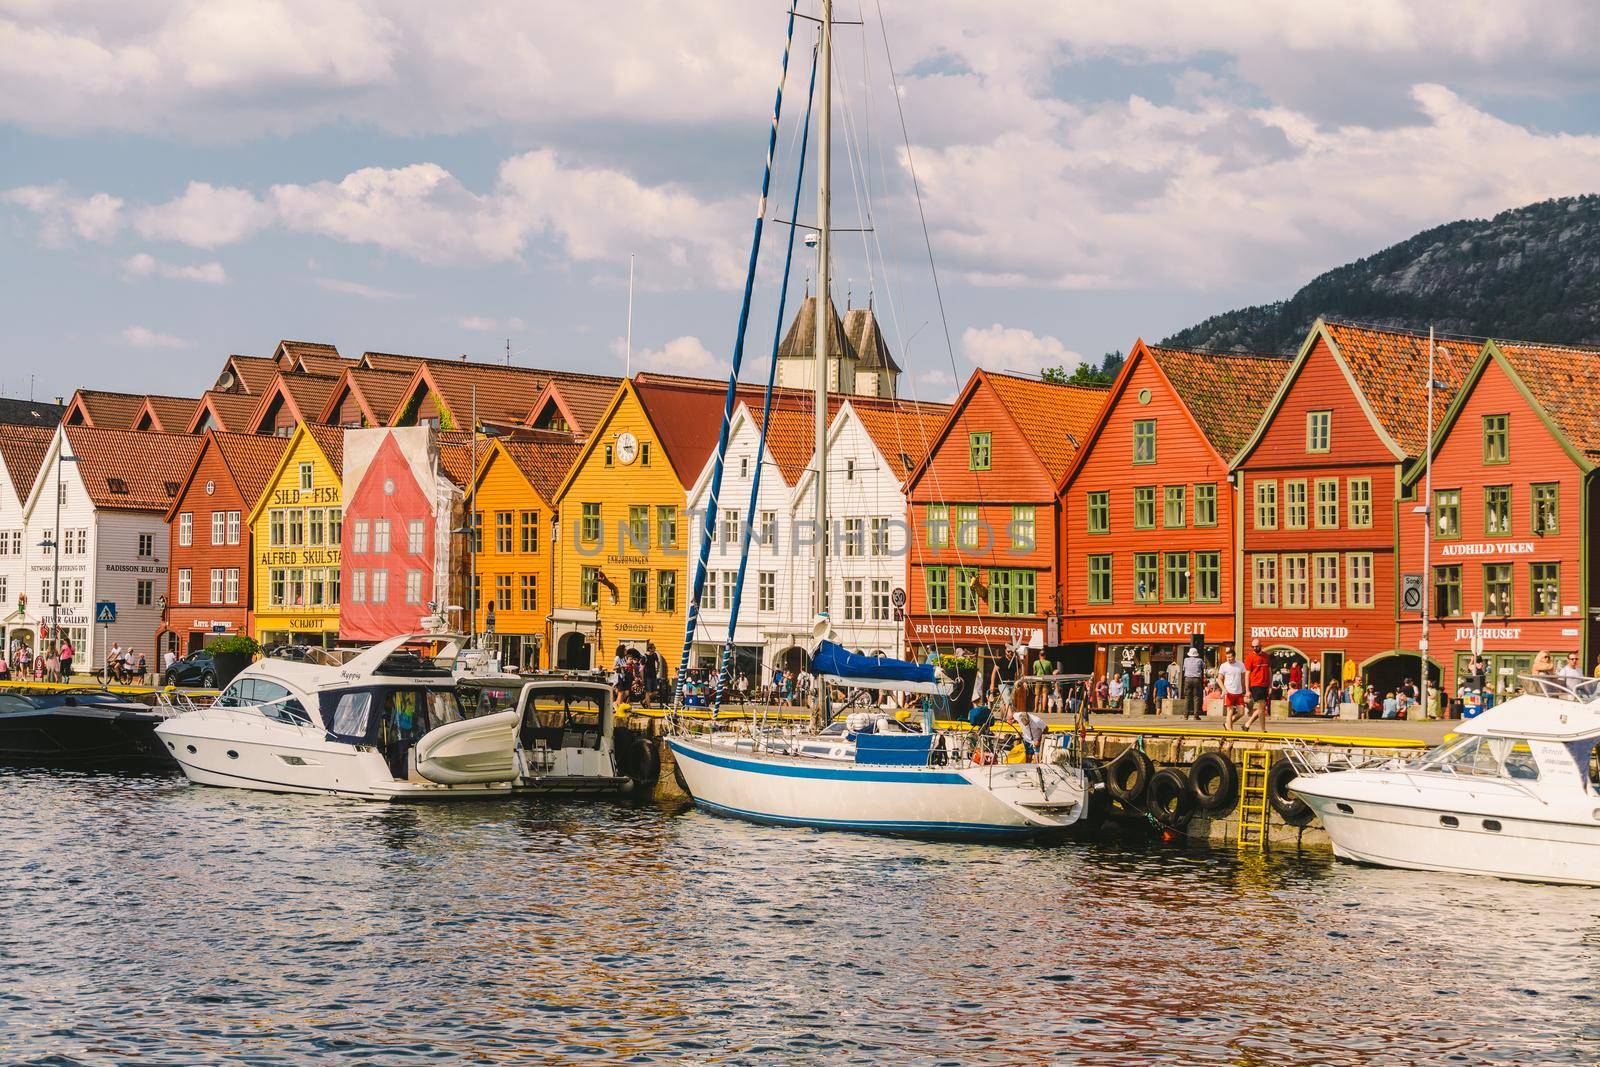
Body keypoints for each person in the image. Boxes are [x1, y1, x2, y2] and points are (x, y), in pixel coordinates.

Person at [1243, 640, 1271, 731]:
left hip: (1265, 684)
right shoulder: (1250, 657)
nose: (1255, 648)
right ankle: (1263, 730)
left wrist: (1270, 685)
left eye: (1256, 646)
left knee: (1262, 707)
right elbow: (1247, 674)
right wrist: (1247, 690)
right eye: (1253, 646)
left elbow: (1269, 671)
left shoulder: (1266, 656)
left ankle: (1247, 724)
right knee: (1262, 706)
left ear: (1261, 646)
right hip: (1255, 684)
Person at [1217, 647, 1248, 730]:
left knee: (1241, 712)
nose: (1229, 659)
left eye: (1230, 657)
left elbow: (1243, 677)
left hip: (1239, 691)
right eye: (1227, 657)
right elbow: (1219, 679)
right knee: (1229, 711)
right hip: (1229, 692)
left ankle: (1228, 723)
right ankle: (1230, 731)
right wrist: (1223, 689)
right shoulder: (1224, 666)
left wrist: (1244, 688)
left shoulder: (1240, 664)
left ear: (1234, 657)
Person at [1181, 647, 1205, 720]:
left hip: (1187, 679)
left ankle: (1185, 715)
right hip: (1196, 679)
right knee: (1196, 697)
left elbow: (1184, 669)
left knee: (1187, 697)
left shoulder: (1186, 660)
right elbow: (1203, 667)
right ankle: (1196, 715)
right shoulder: (1199, 660)